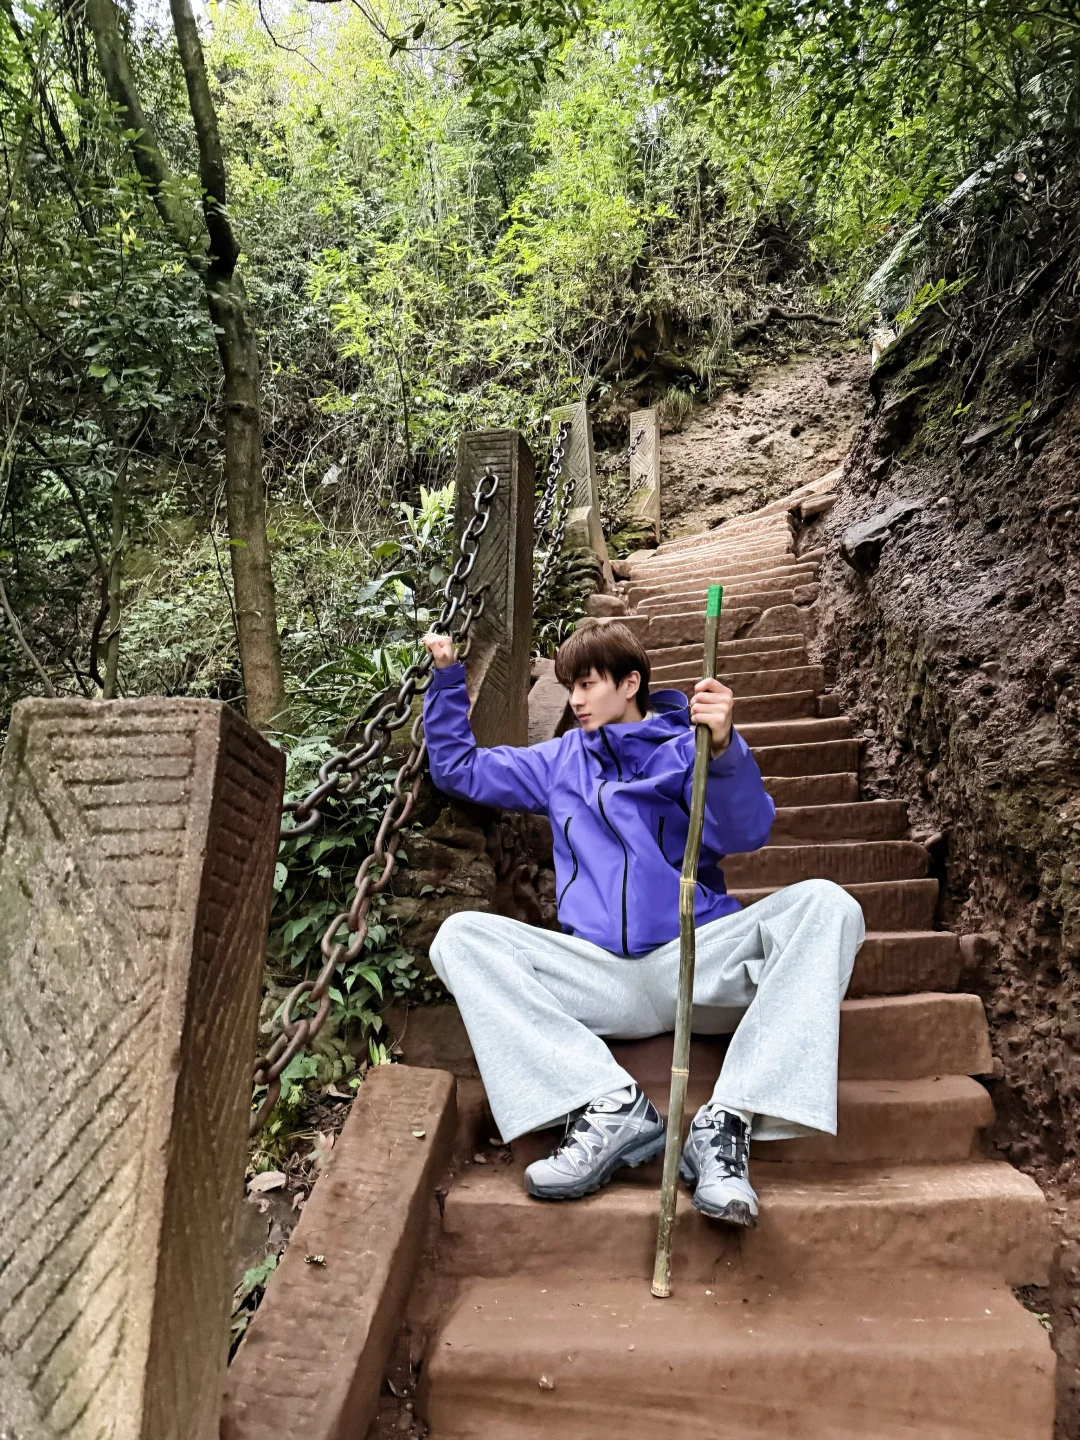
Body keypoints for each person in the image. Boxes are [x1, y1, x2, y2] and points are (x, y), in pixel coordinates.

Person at [421, 621, 864, 1228]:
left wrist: (725, 749)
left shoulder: (690, 749)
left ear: (630, 683)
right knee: (461, 937)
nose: (575, 700)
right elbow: (459, 770)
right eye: (569, 687)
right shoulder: (559, 761)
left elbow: (746, 832)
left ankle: (727, 1121)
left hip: (695, 962)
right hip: (600, 975)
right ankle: (607, 1105)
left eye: (587, 684)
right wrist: (447, 678)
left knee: (828, 905)